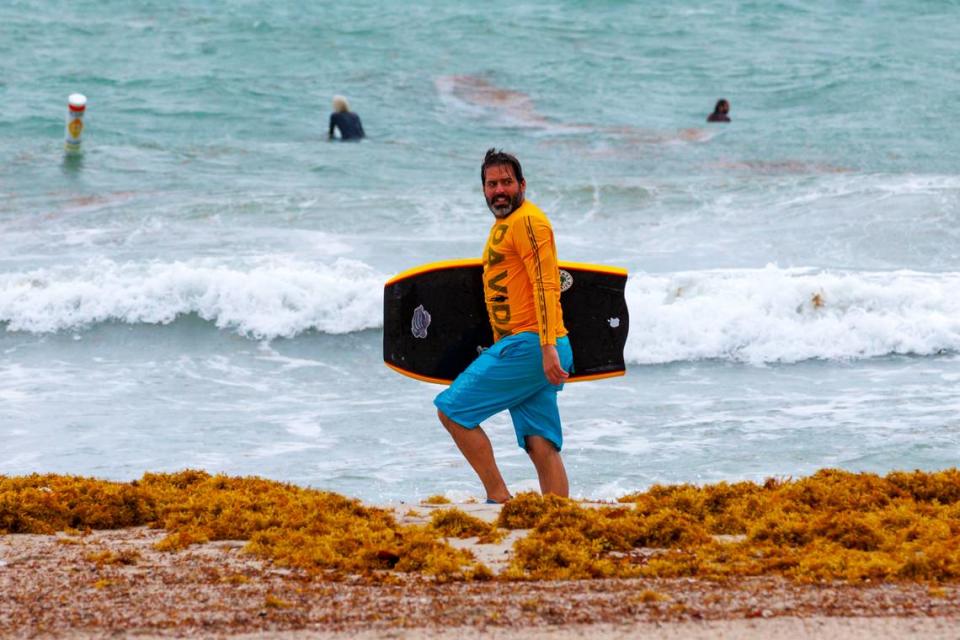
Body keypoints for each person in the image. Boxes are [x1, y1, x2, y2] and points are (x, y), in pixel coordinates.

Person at [434, 149, 574, 503]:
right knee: (538, 439)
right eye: (492, 183)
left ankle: (499, 496)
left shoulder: (529, 222)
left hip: (531, 345)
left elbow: (546, 283)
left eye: (506, 182)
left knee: (452, 410)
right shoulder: (506, 225)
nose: (499, 190)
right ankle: (558, 517)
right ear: (483, 189)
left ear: (522, 184)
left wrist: (545, 348)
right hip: (533, 345)